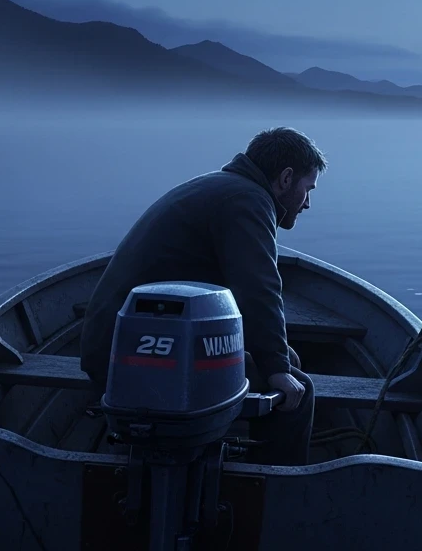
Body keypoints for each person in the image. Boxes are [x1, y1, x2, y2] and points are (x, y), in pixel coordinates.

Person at [79, 127, 326, 466]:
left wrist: (277, 360)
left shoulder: (220, 188)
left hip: (114, 344)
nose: (308, 203)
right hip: (130, 357)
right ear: (285, 178)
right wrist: (277, 371)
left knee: (286, 360)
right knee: (296, 389)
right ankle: (273, 490)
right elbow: (258, 289)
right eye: (307, 189)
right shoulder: (248, 201)